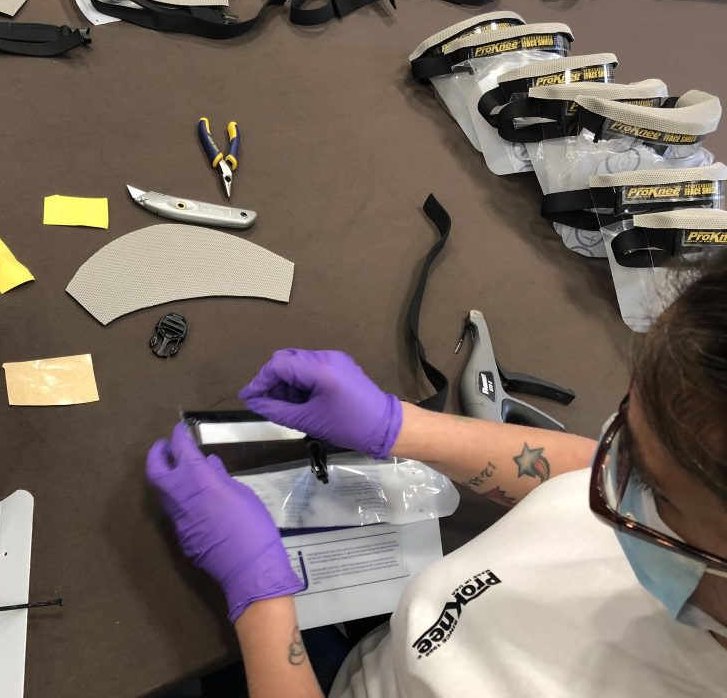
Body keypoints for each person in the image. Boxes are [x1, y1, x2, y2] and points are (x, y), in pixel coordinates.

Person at [145, 258, 727, 698]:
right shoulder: (680, 484)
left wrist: (262, 603)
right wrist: (401, 426)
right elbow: (590, 471)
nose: (610, 465)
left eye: (646, 483)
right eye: (621, 422)